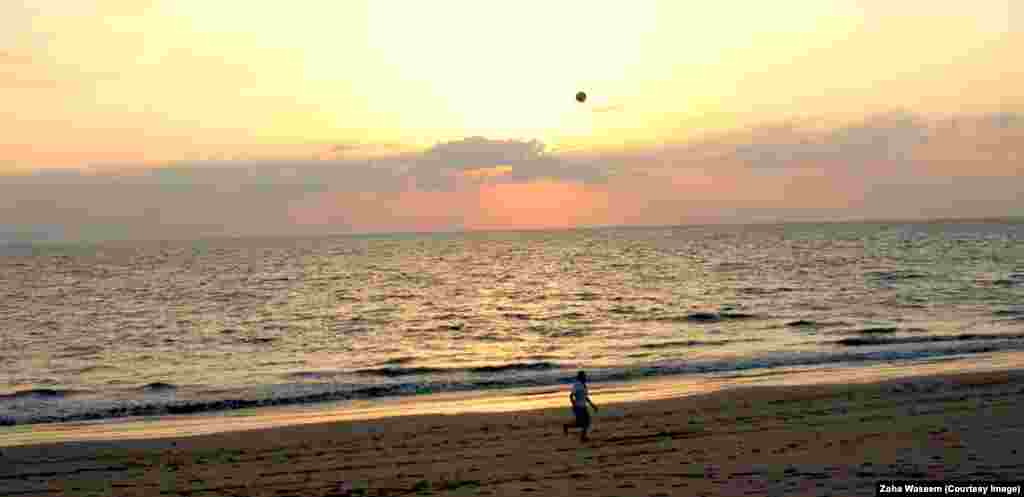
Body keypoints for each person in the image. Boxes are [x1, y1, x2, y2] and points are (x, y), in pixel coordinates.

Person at [563, 370, 598, 442]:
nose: (585, 377)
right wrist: (574, 405)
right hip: (578, 407)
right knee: (585, 422)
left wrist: (592, 404)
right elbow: (571, 395)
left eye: (585, 376)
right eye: (584, 376)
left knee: (583, 422)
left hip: (583, 406)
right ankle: (582, 437)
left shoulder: (584, 385)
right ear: (580, 377)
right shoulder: (577, 385)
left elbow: (585, 397)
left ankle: (567, 426)